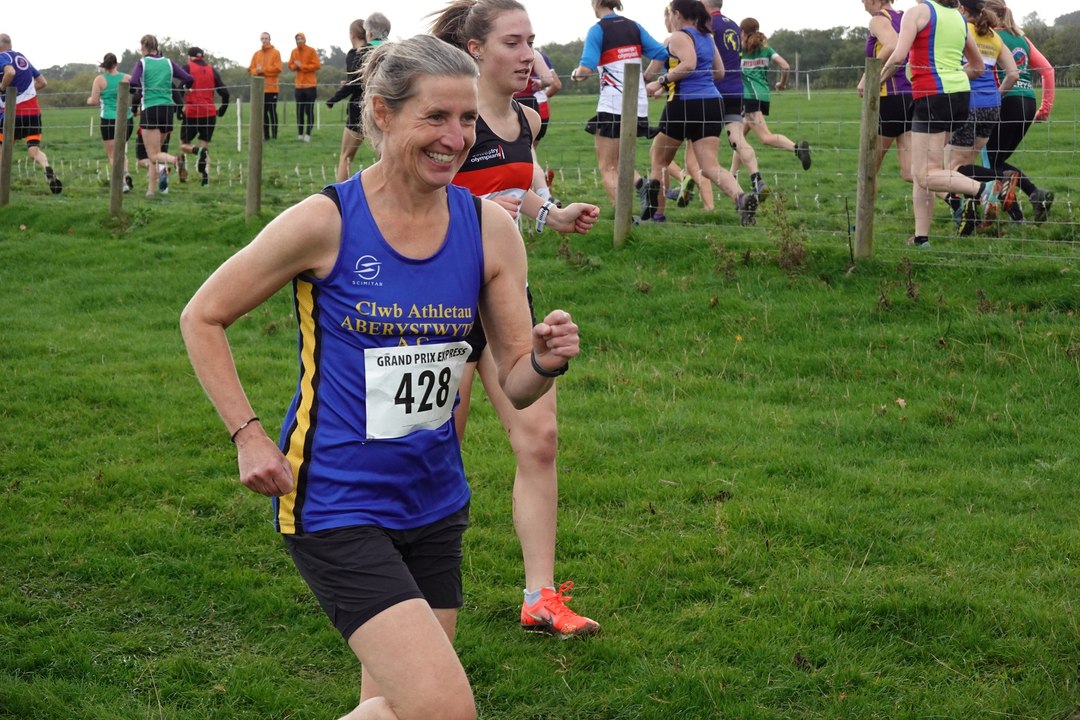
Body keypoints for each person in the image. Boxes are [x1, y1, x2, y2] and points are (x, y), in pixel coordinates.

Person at [181, 34, 580, 720]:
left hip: (434, 503)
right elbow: (203, 316)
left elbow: (515, 383)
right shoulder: (325, 221)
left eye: (466, 121)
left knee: (396, 707)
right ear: (383, 114)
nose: (455, 139)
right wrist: (247, 435)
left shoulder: (489, 229)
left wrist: (544, 360)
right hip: (337, 504)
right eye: (436, 118)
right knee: (445, 709)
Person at [431, 0, 602, 640]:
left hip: (505, 300)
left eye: (531, 40)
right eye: (513, 41)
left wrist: (549, 213)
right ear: (475, 49)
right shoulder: (451, 121)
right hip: (440, 305)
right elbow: (428, 197)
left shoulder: (524, 118)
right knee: (437, 449)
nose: (529, 53)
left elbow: (514, 187)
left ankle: (540, 597)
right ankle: (412, 592)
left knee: (539, 439)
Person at [882, 0, 997, 247]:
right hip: (959, 97)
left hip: (932, 96)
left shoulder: (916, 13)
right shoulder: (958, 18)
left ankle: (984, 191)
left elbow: (898, 57)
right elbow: (978, 67)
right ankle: (921, 239)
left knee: (925, 174)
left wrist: (873, 83)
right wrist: (951, 75)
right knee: (921, 170)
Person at [641, 0, 757, 226]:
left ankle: (655, 214)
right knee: (710, 166)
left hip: (683, 104)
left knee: (659, 159)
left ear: (676, 14)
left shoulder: (678, 36)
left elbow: (689, 64)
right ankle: (742, 198)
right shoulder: (707, 38)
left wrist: (661, 81)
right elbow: (720, 72)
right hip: (712, 103)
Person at [571, 0, 669, 210]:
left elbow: (586, 68)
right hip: (637, 105)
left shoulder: (598, 30)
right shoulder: (634, 26)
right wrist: (647, 76)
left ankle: (626, 213)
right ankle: (643, 187)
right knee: (622, 161)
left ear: (596, 3)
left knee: (607, 166)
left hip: (613, 105)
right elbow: (661, 53)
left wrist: (575, 75)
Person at [941, 0, 1017, 232]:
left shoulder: (962, 29)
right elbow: (1013, 73)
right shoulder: (994, 36)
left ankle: (1001, 178)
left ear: (963, 10)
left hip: (967, 103)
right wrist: (994, 96)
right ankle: (971, 216)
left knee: (953, 170)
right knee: (967, 166)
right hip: (991, 104)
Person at [984, 0, 1056, 223]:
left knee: (992, 162)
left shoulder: (989, 36)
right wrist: (1044, 109)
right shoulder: (1021, 38)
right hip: (1028, 102)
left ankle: (1023, 205)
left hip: (1006, 101)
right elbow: (1048, 70)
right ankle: (1031, 199)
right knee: (999, 160)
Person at [703, 0, 769, 200]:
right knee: (737, 139)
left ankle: (687, 183)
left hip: (713, 90)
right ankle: (757, 178)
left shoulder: (706, 24)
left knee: (699, 142)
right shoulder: (733, 24)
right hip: (735, 90)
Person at [732, 18, 811, 176]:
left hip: (749, 98)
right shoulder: (767, 49)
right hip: (763, 96)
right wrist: (782, 84)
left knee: (765, 137)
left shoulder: (739, 51)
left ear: (742, 32)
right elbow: (785, 66)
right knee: (739, 138)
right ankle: (732, 174)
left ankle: (797, 148)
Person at [857, 0, 914, 189]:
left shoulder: (878, 20)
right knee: (910, 171)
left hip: (887, 99)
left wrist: (869, 77)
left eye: (863, 0)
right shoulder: (905, 16)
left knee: (868, 170)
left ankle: (861, 219)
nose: (863, 5)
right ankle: (954, 198)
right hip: (909, 98)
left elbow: (891, 44)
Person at [129, 34, 192, 197]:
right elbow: (188, 78)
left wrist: (136, 92)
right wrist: (182, 88)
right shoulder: (168, 62)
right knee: (156, 156)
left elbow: (134, 82)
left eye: (141, 46)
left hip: (150, 108)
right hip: (167, 109)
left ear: (144, 46)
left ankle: (175, 161)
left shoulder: (142, 63)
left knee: (153, 154)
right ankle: (151, 191)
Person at [0, 34, 62, 194]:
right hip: (33, 112)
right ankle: (47, 167)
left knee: (3, 148)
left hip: (14, 114)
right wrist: (28, 92)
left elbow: (10, 72)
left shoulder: (2, 57)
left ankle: (1, 186)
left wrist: (1, 87)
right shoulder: (23, 59)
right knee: (33, 150)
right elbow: (43, 82)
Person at [327, 19, 370, 182]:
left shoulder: (354, 55)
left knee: (345, 157)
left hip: (358, 108)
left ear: (352, 34)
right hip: (377, 106)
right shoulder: (374, 51)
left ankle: (341, 197)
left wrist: (333, 99)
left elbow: (354, 84)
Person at [180, 47, 230, 186]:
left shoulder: (187, 67)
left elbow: (180, 87)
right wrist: (223, 109)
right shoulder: (211, 70)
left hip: (192, 111)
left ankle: (197, 151)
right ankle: (205, 178)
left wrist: (179, 107)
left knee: (184, 145)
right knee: (204, 144)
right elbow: (225, 93)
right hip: (209, 112)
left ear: (190, 57)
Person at [87, 52, 133, 192]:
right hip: (127, 118)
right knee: (122, 151)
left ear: (104, 64)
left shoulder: (99, 80)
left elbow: (94, 101)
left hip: (108, 119)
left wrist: (88, 100)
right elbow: (139, 90)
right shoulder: (127, 77)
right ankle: (126, 174)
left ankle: (123, 183)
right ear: (116, 64)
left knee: (113, 154)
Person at [248, 32, 283, 140]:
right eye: (262, 38)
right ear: (260, 40)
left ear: (270, 39)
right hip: (260, 89)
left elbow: (278, 69)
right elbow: (251, 69)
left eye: (266, 38)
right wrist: (256, 71)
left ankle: (274, 135)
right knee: (262, 113)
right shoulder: (256, 54)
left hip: (272, 88)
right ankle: (266, 136)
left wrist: (263, 70)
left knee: (272, 111)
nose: (264, 40)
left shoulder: (276, 53)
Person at [289, 32, 321, 141]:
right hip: (299, 86)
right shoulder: (294, 52)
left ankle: (308, 134)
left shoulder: (311, 51)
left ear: (305, 39)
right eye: (297, 39)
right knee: (299, 111)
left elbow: (316, 65)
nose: (299, 41)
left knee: (309, 110)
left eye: (301, 38)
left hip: (310, 85)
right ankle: (300, 134)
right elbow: (290, 65)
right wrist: (295, 66)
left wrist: (302, 66)